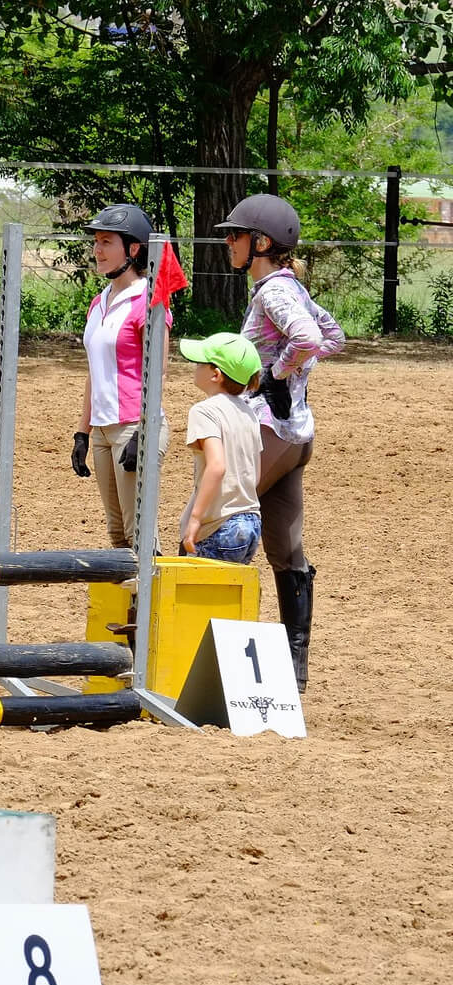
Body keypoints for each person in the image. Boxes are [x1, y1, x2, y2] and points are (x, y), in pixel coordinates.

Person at [215, 193, 344, 691]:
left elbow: (310, 339)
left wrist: (275, 373)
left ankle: (205, 643)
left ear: (261, 243)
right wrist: (293, 377)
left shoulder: (272, 291)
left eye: (236, 235)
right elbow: (333, 336)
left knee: (217, 523)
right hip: (296, 435)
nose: (228, 242)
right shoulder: (289, 286)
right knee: (286, 552)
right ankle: (295, 668)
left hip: (268, 431)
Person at [72, 203, 169, 549]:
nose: (97, 250)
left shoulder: (148, 300)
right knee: (116, 535)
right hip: (102, 429)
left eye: (106, 242)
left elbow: (157, 371)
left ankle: (150, 602)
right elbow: (93, 371)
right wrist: (82, 431)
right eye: (96, 242)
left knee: (139, 533)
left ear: (133, 249)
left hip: (133, 426)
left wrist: (143, 430)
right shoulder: (98, 303)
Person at [178, 333, 263, 565]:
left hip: (219, 526)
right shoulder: (250, 413)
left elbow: (216, 466)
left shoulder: (204, 411)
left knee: (200, 598)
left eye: (200, 363)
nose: (195, 367)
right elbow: (253, 475)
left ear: (216, 375)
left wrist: (195, 518)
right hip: (251, 521)